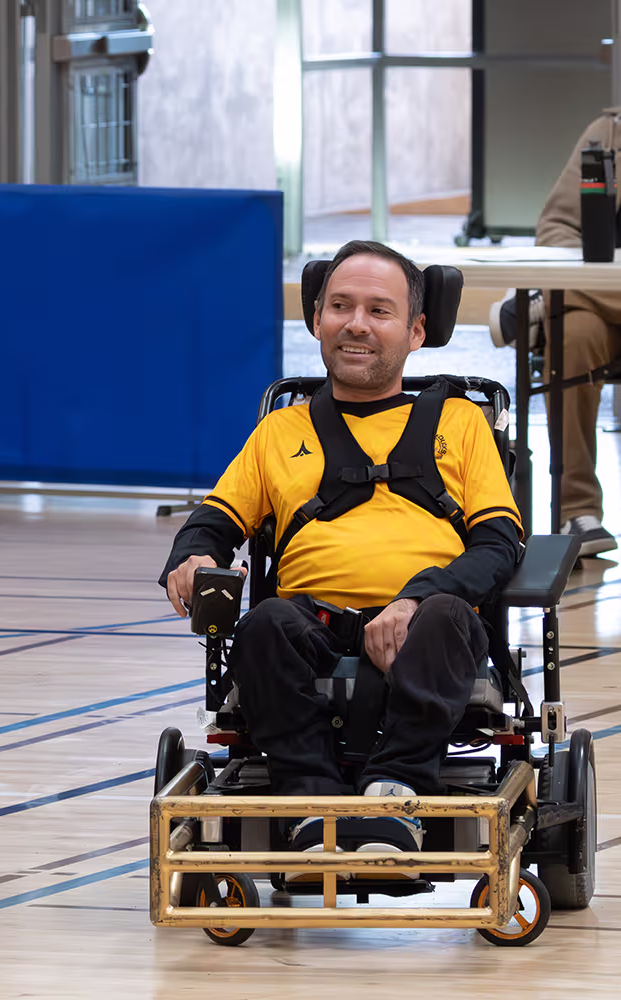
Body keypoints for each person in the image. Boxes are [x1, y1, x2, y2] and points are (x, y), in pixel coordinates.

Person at [160, 241, 522, 862]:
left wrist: (418, 597)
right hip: (311, 625)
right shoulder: (280, 432)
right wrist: (191, 556)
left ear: (415, 331)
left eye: (380, 311)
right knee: (263, 622)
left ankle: (396, 793)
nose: (356, 323)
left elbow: (497, 542)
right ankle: (314, 803)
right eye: (340, 306)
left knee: (447, 616)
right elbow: (213, 521)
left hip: (427, 626)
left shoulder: (461, 423)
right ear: (316, 320)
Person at [522, 108, 621, 556]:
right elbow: (555, 229)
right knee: (574, 332)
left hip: (593, 292)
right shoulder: (610, 132)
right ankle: (577, 510)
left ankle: (533, 308)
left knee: (569, 304)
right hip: (601, 305)